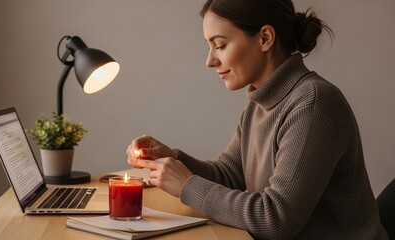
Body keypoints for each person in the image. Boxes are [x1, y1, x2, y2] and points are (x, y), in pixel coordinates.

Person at [126, 0, 389, 239]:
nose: (210, 60)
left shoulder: (312, 104)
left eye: (220, 45)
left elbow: (275, 220)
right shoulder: (259, 105)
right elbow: (229, 175)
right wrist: (173, 158)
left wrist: (186, 184)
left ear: (265, 38)